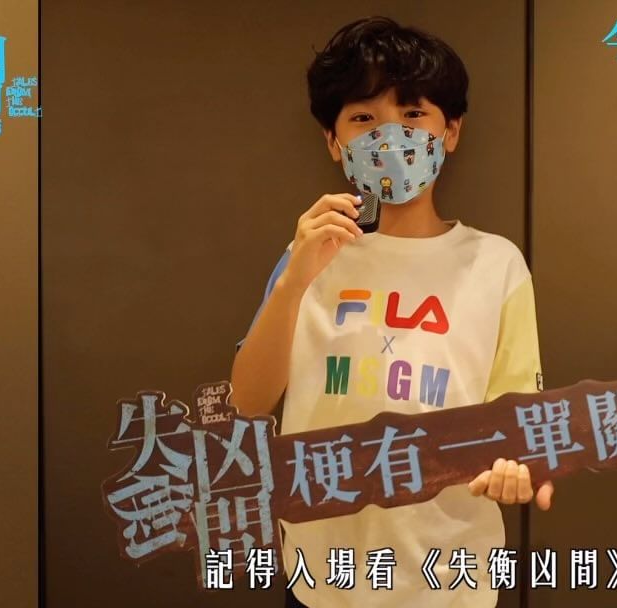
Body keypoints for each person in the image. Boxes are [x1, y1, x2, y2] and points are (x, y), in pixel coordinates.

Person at [230, 15, 554, 608]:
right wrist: (296, 279)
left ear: (450, 131)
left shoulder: (496, 263)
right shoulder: (307, 254)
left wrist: (517, 469)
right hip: (323, 577)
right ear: (333, 141)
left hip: (450, 576)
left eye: (412, 114)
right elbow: (248, 401)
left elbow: (518, 422)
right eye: (363, 118)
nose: (390, 135)